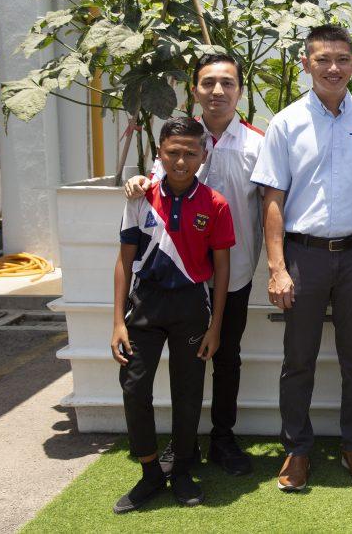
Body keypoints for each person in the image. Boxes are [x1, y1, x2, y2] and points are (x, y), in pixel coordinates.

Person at [251, 24, 352, 492]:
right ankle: (297, 449)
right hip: (303, 256)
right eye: (323, 59)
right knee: (298, 359)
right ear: (306, 63)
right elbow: (272, 199)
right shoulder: (285, 123)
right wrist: (277, 268)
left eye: (342, 59)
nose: (334, 68)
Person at [124, 53, 264, 476]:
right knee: (182, 364)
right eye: (208, 83)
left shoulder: (259, 143)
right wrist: (136, 180)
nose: (217, 91)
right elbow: (154, 186)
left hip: (233, 271)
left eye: (227, 83)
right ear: (194, 89)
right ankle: (181, 443)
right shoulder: (181, 137)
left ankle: (222, 438)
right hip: (177, 276)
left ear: (240, 90)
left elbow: (273, 204)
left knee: (226, 355)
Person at [110, 117, 235, 513]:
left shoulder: (216, 204)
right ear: (159, 154)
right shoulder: (139, 197)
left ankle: (181, 470)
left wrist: (215, 327)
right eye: (173, 152)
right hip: (145, 304)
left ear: (203, 155)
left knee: (188, 391)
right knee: (134, 386)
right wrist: (117, 321)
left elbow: (222, 270)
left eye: (190, 153)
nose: (181, 161)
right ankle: (150, 472)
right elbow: (124, 261)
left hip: (191, 307)